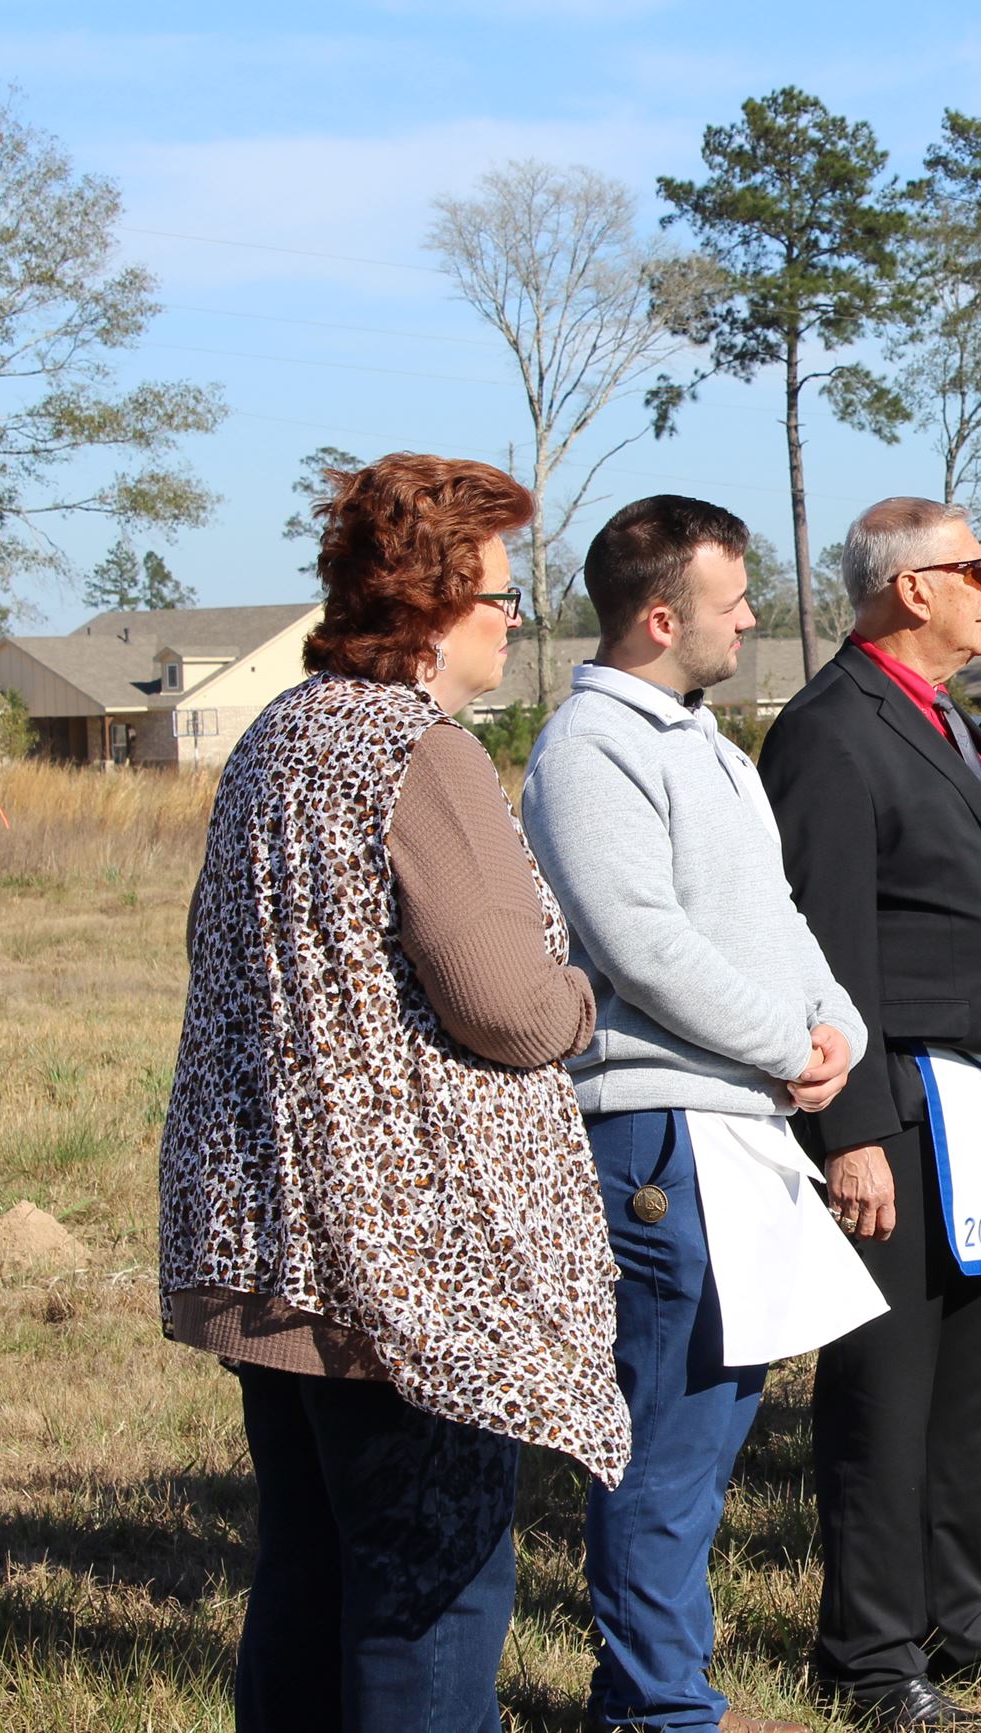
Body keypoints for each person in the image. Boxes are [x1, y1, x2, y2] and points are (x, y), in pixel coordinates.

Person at [158, 453, 627, 1730]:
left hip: (275, 1237)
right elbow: (506, 1001)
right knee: (433, 1586)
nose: (515, 616)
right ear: (432, 599)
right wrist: (584, 996)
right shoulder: (422, 752)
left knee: (308, 1575)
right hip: (409, 1258)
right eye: (501, 593)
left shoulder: (274, 735)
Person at [522, 495, 879, 1733]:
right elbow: (642, 944)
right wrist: (788, 1042)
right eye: (733, 600)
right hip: (660, 1135)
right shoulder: (588, 748)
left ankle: (663, 1689)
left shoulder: (712, 743)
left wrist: (837, 1028)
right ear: (662, 615)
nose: (752, 617)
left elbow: (778, 916)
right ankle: (655, 1709)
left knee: (711, 1429)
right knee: (667, 1447)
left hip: (739, 1119)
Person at [758, 498, 981, 1728]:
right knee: (886, 1392)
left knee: (970, 1389)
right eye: (975, 570)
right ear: (908, 587)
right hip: (895, 1112)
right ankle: (870, 1653)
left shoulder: (949, 719)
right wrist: (849, 1132)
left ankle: (961, 1615)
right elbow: (826, 949)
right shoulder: (831, 734)